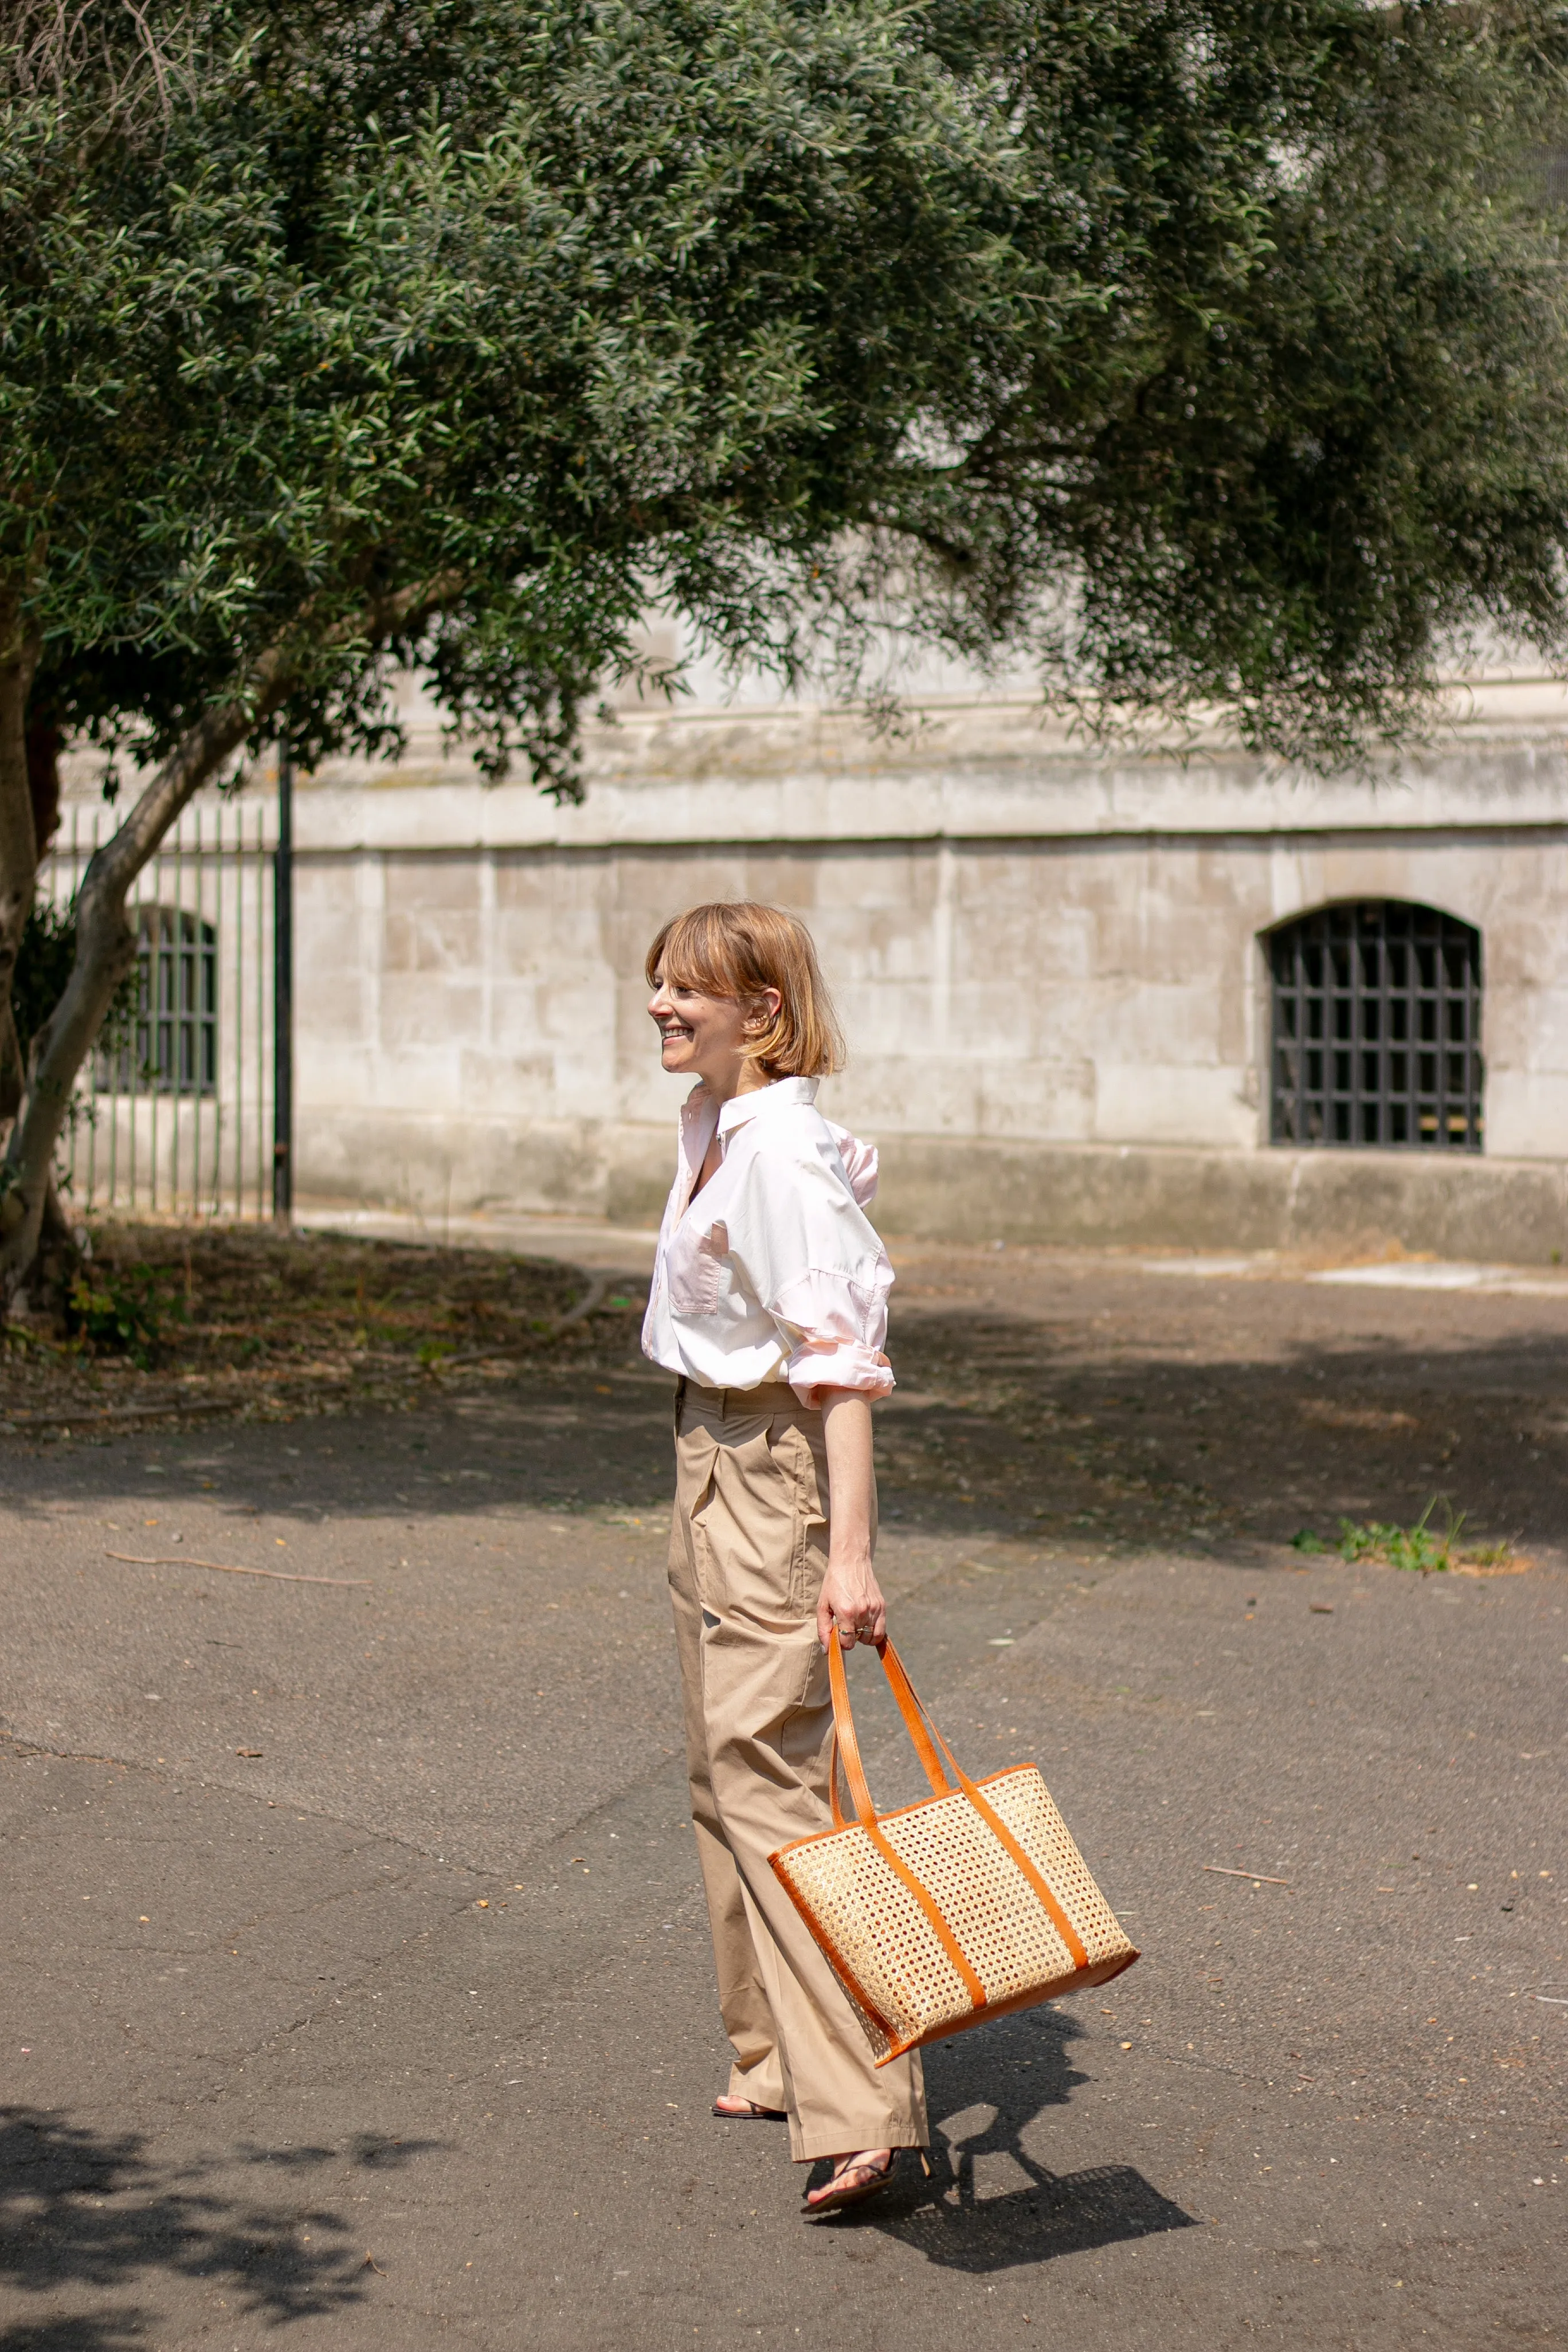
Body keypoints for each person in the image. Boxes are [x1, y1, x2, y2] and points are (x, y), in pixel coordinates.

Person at [640, 900, 928, 2219]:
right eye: (658, 984)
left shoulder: (778, 1154)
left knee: (775, 1783)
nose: (660, 1005)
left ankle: (863, 2106)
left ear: (763, 1012)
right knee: (722, 1766)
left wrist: (850, 1558)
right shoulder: (716, 1129)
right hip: (705, 1452)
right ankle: (769, 2059)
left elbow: (844, 1368)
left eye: (687, 990)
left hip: (772, 1468)